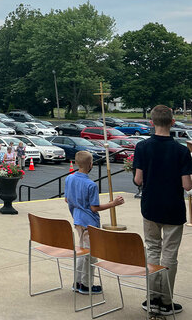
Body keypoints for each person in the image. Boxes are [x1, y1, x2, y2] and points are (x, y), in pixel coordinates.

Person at [134, 105, 192, 316]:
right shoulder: (181, 150)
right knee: (169, 254)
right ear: (172, 123)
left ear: (151, 123)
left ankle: (152, 298)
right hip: (173, 209)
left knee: (152, 249)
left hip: (150, 207)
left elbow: (138, 179)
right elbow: (187, 185)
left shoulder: (142, 147)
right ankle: (166, 301)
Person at [65, 151, 125, 295]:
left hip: (77, 219)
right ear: (91, 165)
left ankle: (78, 281)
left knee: (83, 251)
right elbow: (94, 207)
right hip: (89, 222)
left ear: (77, 163)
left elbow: (67, 199)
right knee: (90, 254)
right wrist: (113, 204)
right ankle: (86, 285)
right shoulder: (91, 185)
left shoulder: (69, 179)